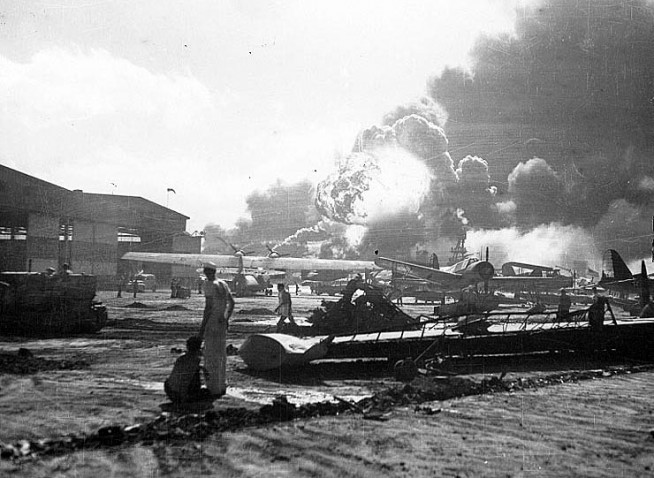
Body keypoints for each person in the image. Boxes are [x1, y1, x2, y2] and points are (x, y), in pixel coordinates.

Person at [199, 262, 234, 397]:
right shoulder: (223, 284)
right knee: (221, 354)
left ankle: (213, 387)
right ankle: (221, 385)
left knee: (211, 355)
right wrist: (226, 318)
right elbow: (231, 303)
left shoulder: (208, 285)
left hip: (212, 322)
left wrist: (202, 328)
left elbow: (208, 308)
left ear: (207, 272)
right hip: (221, 323)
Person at [164, 336, 211, 403]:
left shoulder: (181, 358)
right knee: (207, 393)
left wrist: (202, 368)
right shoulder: (194, 361)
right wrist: (183, 398)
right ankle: (188, 396)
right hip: (178, 395)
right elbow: (185, 379)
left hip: (169, 390)